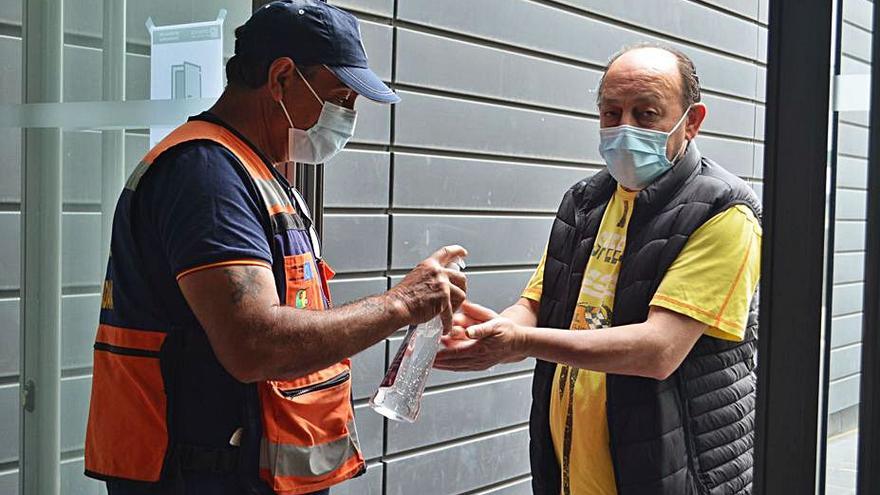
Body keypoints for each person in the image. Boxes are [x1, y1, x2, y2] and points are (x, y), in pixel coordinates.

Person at [84, 1, 467, 494]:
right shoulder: (206, 177)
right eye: (342, 98)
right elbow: (253, 343)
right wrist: (402, 303)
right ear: (282, 77)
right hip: (199, 478)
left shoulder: (257, 170)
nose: (347, 117)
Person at [436, 44, 761, 495]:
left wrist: (522, 343)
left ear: (692, 121)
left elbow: (658, 350)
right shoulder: (585, 200)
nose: (624, 129)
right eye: (611, 113)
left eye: (646, 114)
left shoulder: (725, 212)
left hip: (672, 474)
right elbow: (538, 303)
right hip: (571, 472)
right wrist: (491, 334)